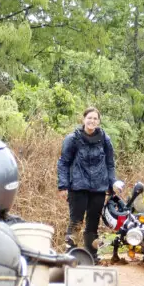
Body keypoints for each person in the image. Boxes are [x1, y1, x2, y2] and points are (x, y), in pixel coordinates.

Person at [56, 107, 123, 257]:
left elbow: (110, 164)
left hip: (99, 187)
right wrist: (63, 185)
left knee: (93, 224)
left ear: (98, 121)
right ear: (83, 119)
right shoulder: (72, 139)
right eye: (89, 118)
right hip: (78, 186)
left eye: (95, 118)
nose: (92, 121)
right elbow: (63, 163)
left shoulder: (105, 139)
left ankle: (92, 255)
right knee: (76, 222)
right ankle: (70, 254)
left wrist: (113, 182)